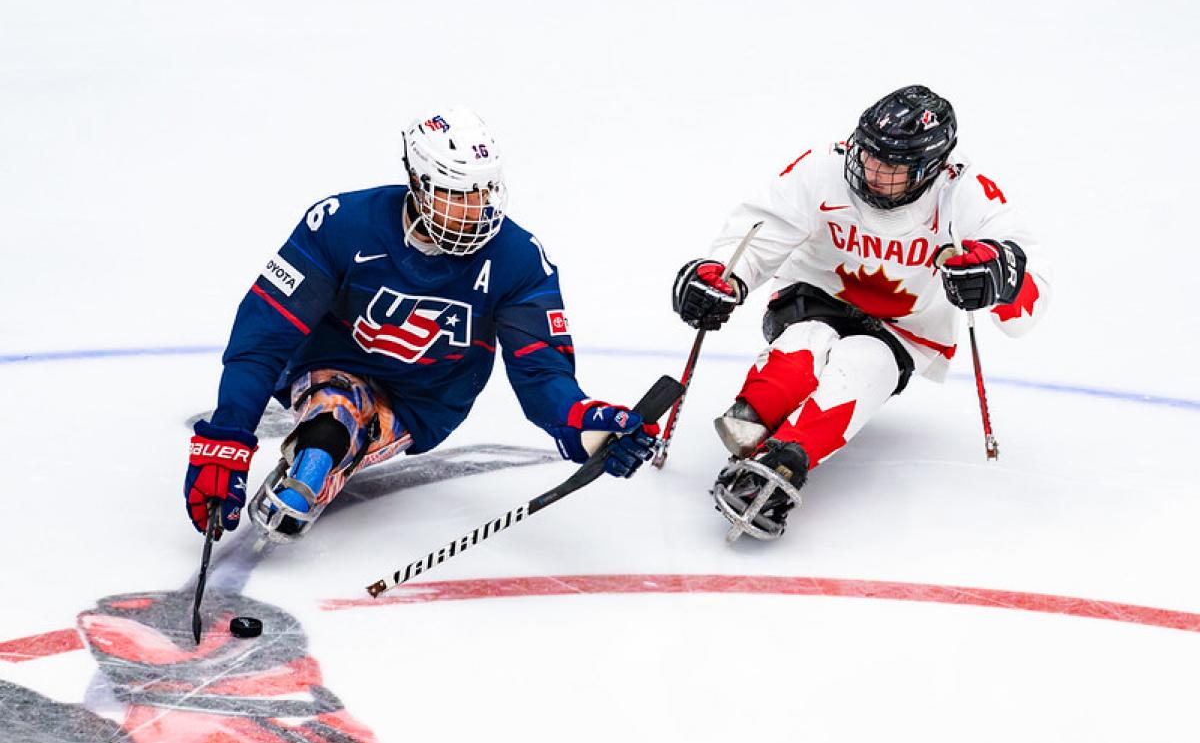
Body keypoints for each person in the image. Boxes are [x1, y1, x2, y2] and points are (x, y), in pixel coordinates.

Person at [185, 106, 659, 544]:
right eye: (457, 193)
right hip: (328, 361)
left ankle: (325, 452)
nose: (476, 210)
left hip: (425, 400)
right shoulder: (339, 225)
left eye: (484, 191)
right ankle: (322, 446)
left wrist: (584, 423)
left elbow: (541, 374)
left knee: (335, 429)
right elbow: (264, 335)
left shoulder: (519, 260)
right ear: (418, 182)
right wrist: (226, 438)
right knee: (332, 421)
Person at [672, 85, 1051, 541]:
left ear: (932, 167)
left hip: (903, 330)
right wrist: (724, 276)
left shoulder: (967, 194)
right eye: (869, 154)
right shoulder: (822, 168)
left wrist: (998, 276)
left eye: (891, 165)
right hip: (812, 297)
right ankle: (757, 414)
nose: (872, 169)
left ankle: (786, 461)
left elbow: (1029, 297)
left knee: (863, 365)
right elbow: (762, 228)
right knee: (804, 345)